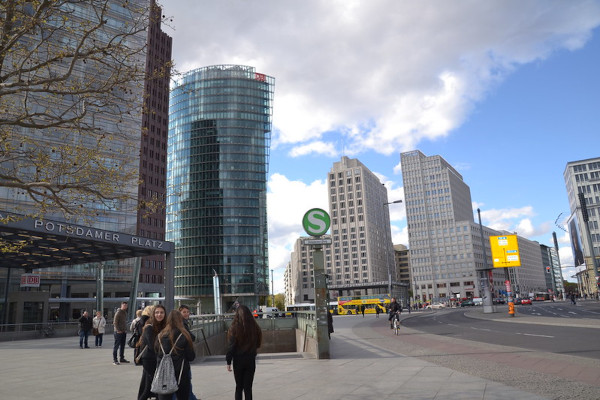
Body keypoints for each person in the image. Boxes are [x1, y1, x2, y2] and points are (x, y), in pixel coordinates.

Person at [156, 310, 196, 400]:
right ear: (180, 320)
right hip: (181, 373)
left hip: (164, 374)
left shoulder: (160, 335)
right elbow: (191, 356)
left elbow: (157, 353)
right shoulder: (184, 335)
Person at [226, 305, 262, 400]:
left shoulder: (234, 328)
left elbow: (231, 346)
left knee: (239, 387)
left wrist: (228, 361)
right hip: (250, 359)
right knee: (248, 388)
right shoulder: (255, 327)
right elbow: (258, 343)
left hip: (238, 360)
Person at [137, 304, 166, 400]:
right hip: (150, 360)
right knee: (151, 386)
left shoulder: (163, 326)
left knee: (149, 386)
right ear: (153, 314)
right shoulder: (149, 327)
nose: (159, 315)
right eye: (157, 312)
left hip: (157, 359)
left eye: (161, 312)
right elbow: (152, 345)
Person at [179, 304, 198, 400]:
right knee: (187, 379)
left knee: (187, 380)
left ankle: (191, 397)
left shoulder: (184, 323)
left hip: (183, 357)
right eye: (184, 312)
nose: (186, 314)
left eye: (187, 312)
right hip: (183, 358)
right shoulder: (182, 324)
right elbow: (190, 336)